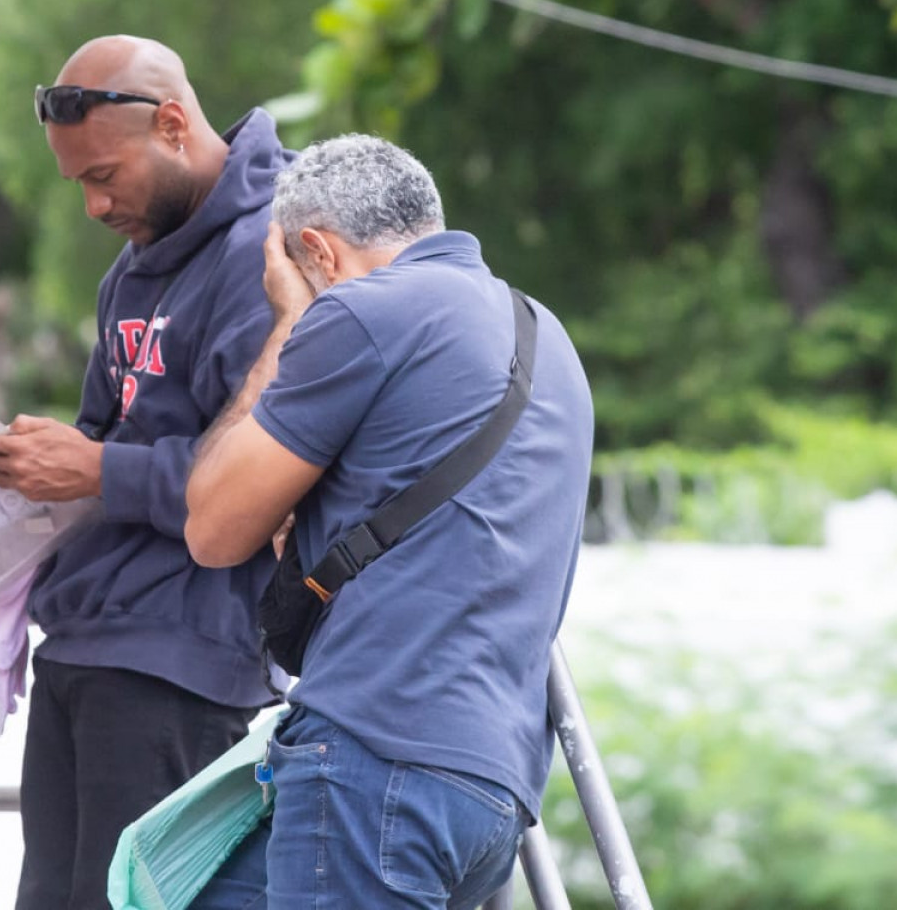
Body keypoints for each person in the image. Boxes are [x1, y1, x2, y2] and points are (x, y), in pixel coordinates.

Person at [184, 134, 593, 909]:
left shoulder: (363, 310)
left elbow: (212, 525)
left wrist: (287, 321)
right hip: (491, 787)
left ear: (316, 250)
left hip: (376, 761)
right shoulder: (545, 332)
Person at [0, 36, 290, 910]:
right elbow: (107, 443)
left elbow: (257, 482)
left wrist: (97, 465)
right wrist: (33, 467)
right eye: (79, 185)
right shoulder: (127, 275)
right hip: (81, 641)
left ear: (173, 125)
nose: (95, 203)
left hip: (181, 657)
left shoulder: (273, 259)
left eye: (106, 175)